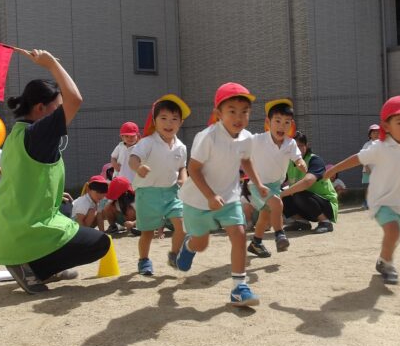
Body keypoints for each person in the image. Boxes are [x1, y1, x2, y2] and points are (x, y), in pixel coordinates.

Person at [0, 49, 111, 294]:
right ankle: (34, 268)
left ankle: (41, 265)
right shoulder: (39, 132)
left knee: (65, 209)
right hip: (24, 229)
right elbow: (75, 99)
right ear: (41, 108)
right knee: (100, 243)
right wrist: (51, 63)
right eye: (58, 107)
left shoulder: (17, 134)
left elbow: (22, 177)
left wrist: (52, 193)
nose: (63, 111)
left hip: (8, 223)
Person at [324, 96, 400, 285]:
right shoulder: (380, 147)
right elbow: (357, 158)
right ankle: (388, 265)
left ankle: (383, 260)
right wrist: (334, 170)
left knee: (396, 236)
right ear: (386, 126)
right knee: (393, 231)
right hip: (380, 199)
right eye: (399, 122)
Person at [174, 82, 266, 307]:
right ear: (218, 113)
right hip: (198, 200)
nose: (239, 117)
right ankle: (189, 246)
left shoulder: (247, 137)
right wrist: (209, 196)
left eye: (244, 112)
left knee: (240, 234)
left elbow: (246, 159)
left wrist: (258, 183)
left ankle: (239, 288)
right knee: (201, 244)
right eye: (232, 111)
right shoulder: (208, 137)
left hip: (229, 197)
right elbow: (193, 168)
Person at [128, 94, 190, 276]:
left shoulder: (181, 147)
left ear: (181, 123)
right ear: (154, 121)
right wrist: (138, 168)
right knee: (147, 232)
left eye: (174, 119)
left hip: (171, 192)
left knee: (183, 226)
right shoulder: (147, 142)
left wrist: (184, 178)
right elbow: (133, 159)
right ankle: (144, 260)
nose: (169, 123)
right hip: (147, 193)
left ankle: (174, 254)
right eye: (163, 118)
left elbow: (182, 167)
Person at [246, 99, 307, 258]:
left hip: (274, 185)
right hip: (257, 184)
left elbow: (298, 159)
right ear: (268, 122)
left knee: (265, 216)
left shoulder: (290, 143)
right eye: (277, 121)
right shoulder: (258, 139)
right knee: (277, 203)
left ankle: (256, 243)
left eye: (286, 122)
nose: (282, 126)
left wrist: (301, 164)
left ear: (291, 124)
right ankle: (279, 235)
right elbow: (241, 143)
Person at [281, 131, 338, 234]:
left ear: (306, 145)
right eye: (294, 147)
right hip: (306, 203)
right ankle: (301, 221)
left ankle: (325, 222)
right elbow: (278, 180)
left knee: (295, 192)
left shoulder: (315, 160)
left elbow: (307, 182)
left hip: (326, 205)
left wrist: (283, 194)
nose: (297, 150)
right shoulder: (289, 163)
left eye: (300, 146)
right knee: (278, 193)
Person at [361, 123, 380, 207]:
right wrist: (366, 167)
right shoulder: (367, 144)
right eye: (374, 132)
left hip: (379, 170)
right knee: (369, 186)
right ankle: (366, 202)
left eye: (378, 132)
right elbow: (362, 157)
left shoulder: (382, 144)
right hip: (368, 170)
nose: (376, 134)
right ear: (370, 135)